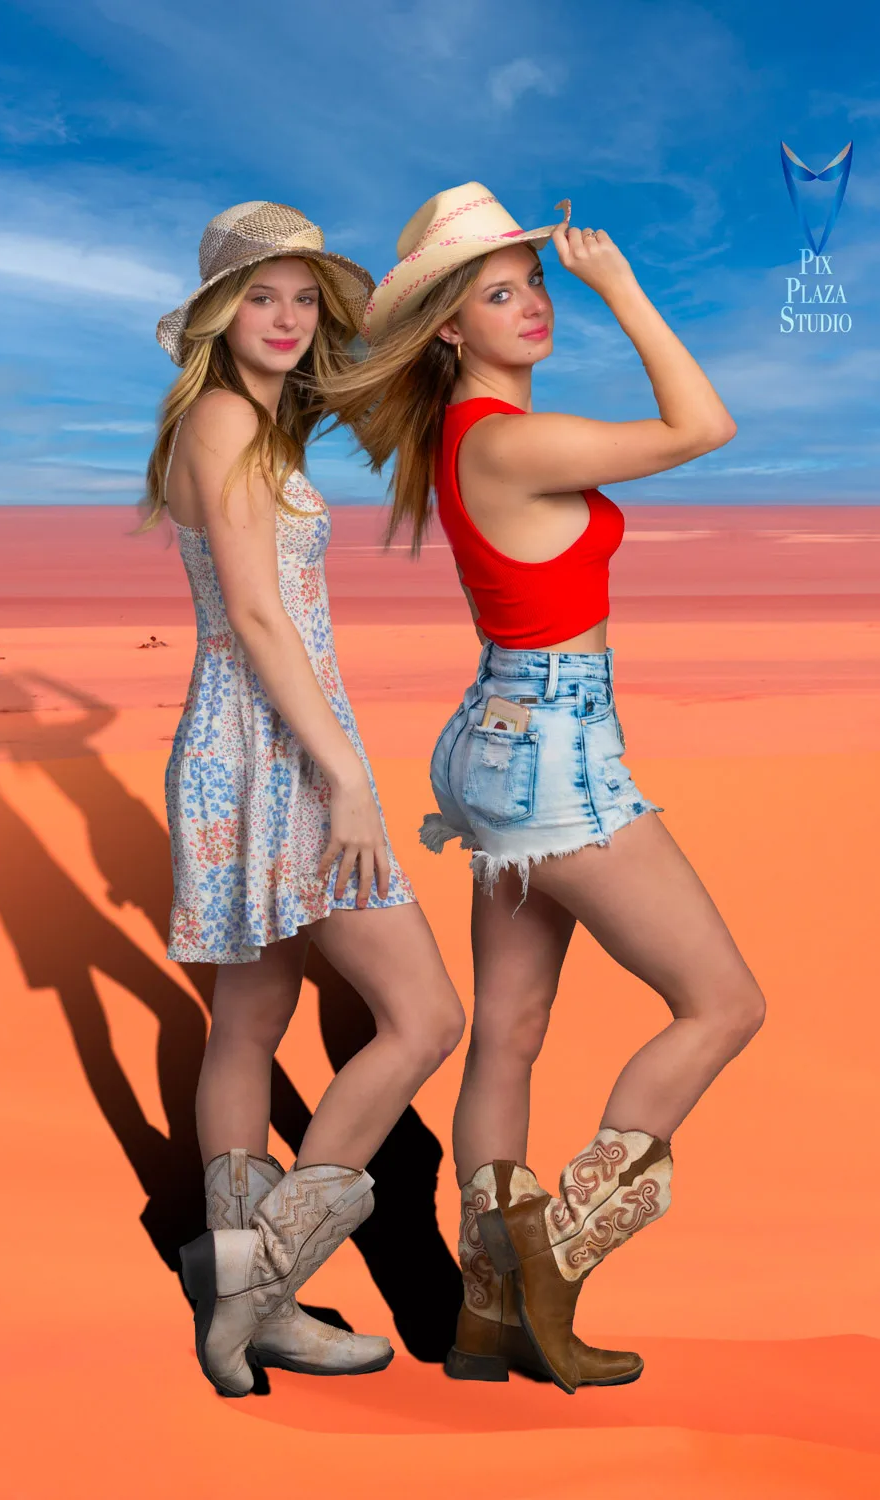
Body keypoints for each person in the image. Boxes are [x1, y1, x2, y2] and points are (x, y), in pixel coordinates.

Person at [320, 182, 766, 1395]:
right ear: (448, 330)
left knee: (509, 1036)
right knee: (722, 1003)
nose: (532, 307)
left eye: (535, 287)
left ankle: (485, 1319)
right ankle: (555, 1255)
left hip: (498, 739)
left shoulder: (462, 438)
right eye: (497, 294)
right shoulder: (510, 438)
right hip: (554, 753)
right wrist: (621, 287)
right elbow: (701, 425)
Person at [143, 201, 464, 1396]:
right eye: (260, 296)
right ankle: (260, 1295)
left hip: (243, 739)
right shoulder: (226, 417)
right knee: (426, 1018)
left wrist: (429, 334)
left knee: (246, 1022)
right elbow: (263, 615)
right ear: (221, 315)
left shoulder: (260, 417)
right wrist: (345, 784)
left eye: (301, 299)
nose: (284, 319)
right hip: (272, 749)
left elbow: (375, 402)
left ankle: (237, 1289)